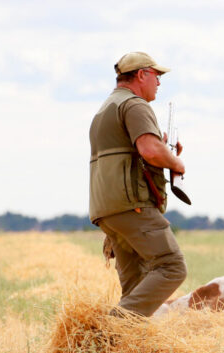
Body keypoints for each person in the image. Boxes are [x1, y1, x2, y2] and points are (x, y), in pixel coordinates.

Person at [88, 52, 187, 317]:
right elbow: (150, 151)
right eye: (157, 76)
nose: (159, 83)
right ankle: (107, 331)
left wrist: (159, 146)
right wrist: (175, 162)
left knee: (136, 285)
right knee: (172, 267)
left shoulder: (105, 109)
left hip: (108, 210)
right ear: (142, 75)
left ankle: (119, 348)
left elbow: (136, 151)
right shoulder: (135, 105)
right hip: (132, 205)